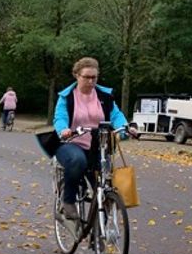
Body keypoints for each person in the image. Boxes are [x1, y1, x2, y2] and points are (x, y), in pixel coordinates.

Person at [53, 57, 139, 219]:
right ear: (77, 75)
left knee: (104, 189)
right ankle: (68, 201)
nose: (91, 81)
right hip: (70, 142)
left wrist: (126, 127)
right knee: (78, 161)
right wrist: (63, 129)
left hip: (98, 145)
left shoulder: (104, 96)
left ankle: (97, 238)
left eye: (94, 77)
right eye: (87, 77)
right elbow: (60, 117)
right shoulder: (67, 97)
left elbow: (116, 115)